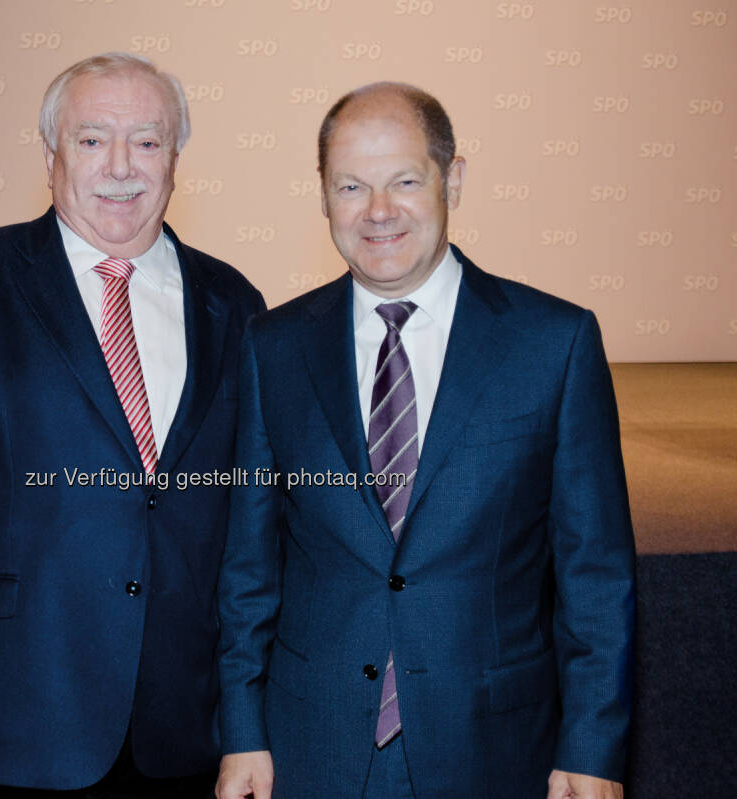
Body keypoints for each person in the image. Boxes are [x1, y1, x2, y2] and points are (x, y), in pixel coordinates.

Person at [0, 52, 264, 796]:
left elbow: (249, 528)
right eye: (92, 139)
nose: (121, 166)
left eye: (147, 140)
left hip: (175, 729)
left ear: (175, 158)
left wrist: (246, 719)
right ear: (50, 156)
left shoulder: (235, 304)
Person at [215, 82, 635, 799]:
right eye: (351, 185)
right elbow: (248, 569)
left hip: (494, 746)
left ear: (455, 179)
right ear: (322, 197)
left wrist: (593, 748)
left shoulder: (554, 344)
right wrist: (242, 733)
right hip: (308, 748)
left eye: (405, 180)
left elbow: (595, 576)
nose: (378, 211)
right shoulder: (272, 347)